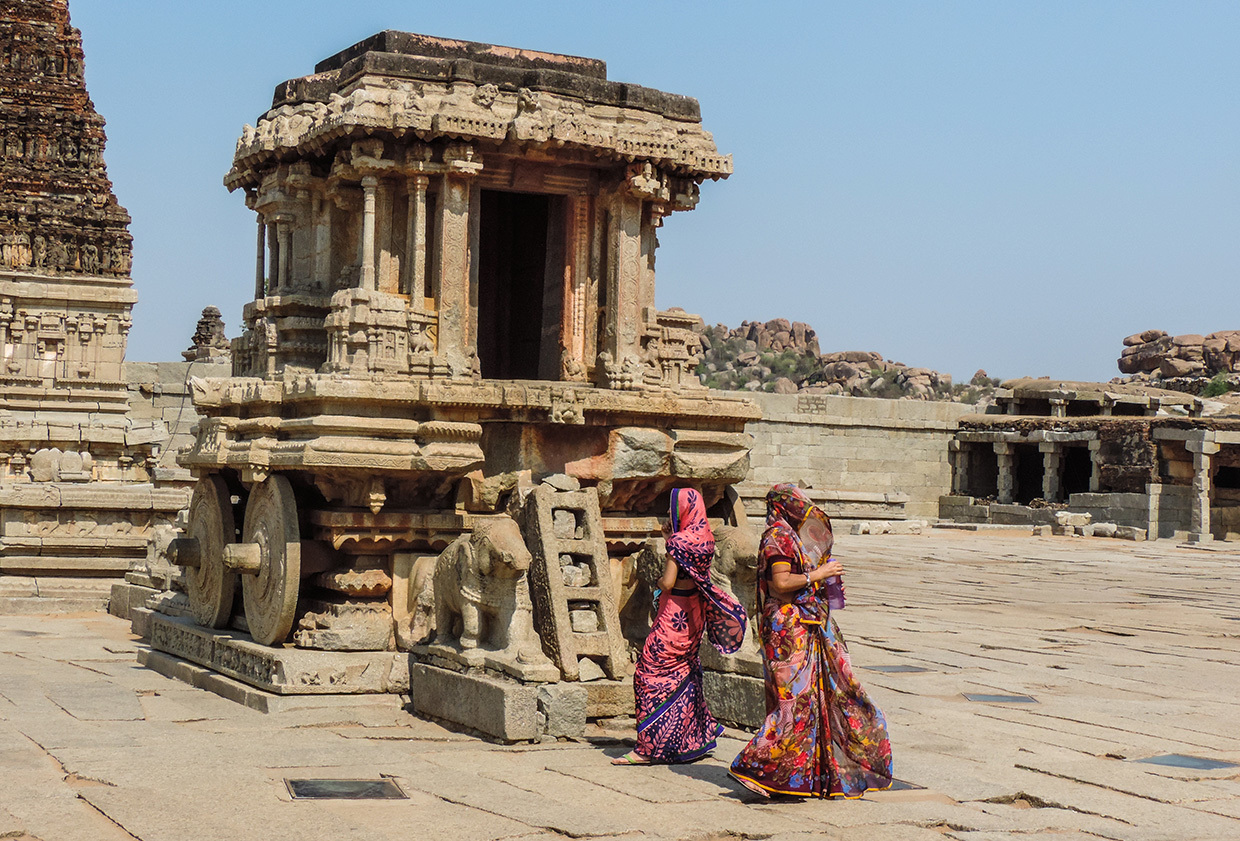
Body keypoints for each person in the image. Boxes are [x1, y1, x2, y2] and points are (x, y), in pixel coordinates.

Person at [729, 483, 893, 798]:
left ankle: (798, 776)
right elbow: (781, 584)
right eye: (800, 503)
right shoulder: (778, 537)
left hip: (805, 626)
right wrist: (819, 575)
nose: (807, 509)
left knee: (817, 701)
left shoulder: (793, 538)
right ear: (786, 506)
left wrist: (823, 580)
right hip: (789, 631)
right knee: (795, 702)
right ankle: (756, 766)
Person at [613, 487, 748, 765]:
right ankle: (688, 740)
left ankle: (648, 747)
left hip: (673, 613)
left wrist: (660, 577)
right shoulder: (706, 538)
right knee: (684, 672)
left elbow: (668, 582)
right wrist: (669, 540)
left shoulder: (678, 542)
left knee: (647, 674)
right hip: (694, 615)